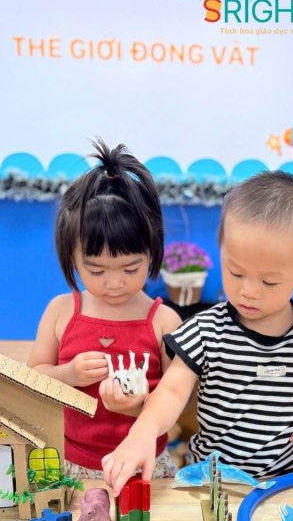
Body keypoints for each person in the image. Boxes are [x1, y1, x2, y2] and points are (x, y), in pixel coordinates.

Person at [102, 171, 293, 494]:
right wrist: (142, 432)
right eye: (235, 272)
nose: (248, 291)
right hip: (212, 482)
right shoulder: (206, 329)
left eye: (269, 281)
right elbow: (171, 392)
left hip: (286, 485)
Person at [28, 140, 181, 483]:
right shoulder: (61, 311)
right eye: (96, 270)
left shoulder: (163, 321)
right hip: (71, 461)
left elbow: (175, 397)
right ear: (71, 257)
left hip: (144, 464)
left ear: (152, 252)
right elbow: (33, 378)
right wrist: (68, 374)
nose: (114, 283)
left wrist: (137, 406)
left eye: (130, 268)